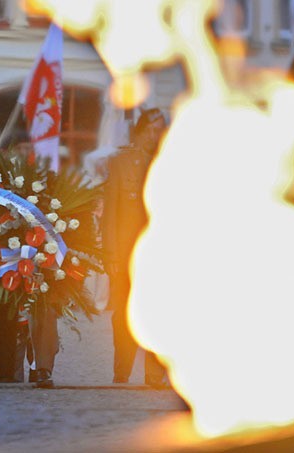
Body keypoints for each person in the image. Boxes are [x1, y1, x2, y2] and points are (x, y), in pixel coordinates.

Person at [102, 107, 170, 387]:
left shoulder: (168, 160)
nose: (156, 136)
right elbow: (110, 214)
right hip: (127, 252)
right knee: (123, 312)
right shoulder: (121, 163)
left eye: (160, 130)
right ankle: (122, 371)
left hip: (159, 251)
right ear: (140, 131)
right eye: (152, 130)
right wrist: (111, 253)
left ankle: (155, 375)